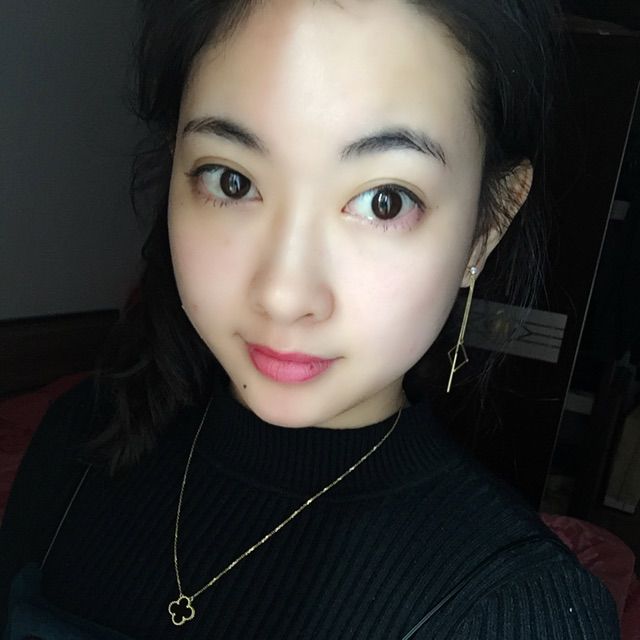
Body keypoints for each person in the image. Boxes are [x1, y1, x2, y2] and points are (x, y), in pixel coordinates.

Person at [0, 0, 621, 637]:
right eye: (231, 180)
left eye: (384, 201)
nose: (283, 295)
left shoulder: (518, 612)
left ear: (487, 227)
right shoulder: (78, 439)